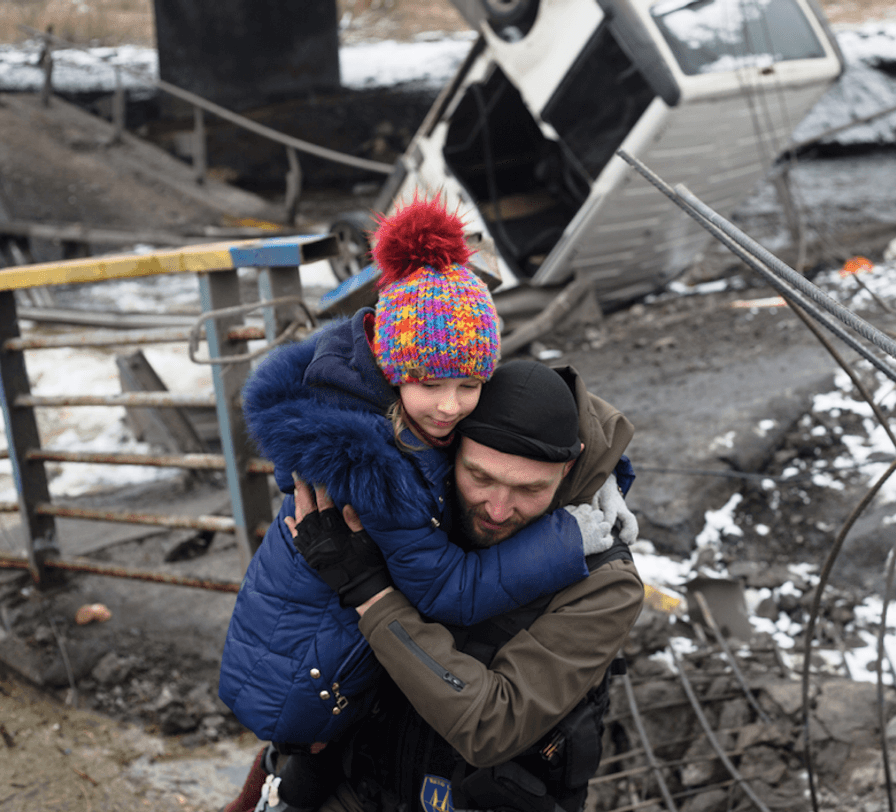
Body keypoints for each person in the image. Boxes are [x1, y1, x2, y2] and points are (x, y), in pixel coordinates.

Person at [218, 200, 618, 812]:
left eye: (469, 385)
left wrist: (609, 479)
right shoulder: (377, 466)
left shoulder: (406, 424)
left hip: (317, 665)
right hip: (303, 679)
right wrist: (569, 535)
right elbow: (446, 591)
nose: (452, 407)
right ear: (392, 368)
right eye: (431, 384)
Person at [283, 359, 645, 812]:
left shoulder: (606, 584)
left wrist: (370, 596)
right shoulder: (418, 503)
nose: (496, 509)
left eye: (528, 489)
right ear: (451, 447)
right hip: (357, 787)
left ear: (568, 467)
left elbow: (492, 725)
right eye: (480, 477)